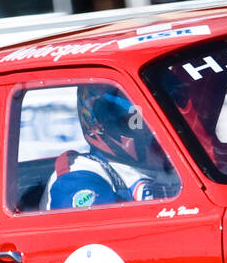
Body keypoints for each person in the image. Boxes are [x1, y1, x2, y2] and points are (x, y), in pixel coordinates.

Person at [45, 85, 179, 210]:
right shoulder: (80, 178)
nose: (147, 129)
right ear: (99, 125)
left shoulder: (174, 161)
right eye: (131, 121)